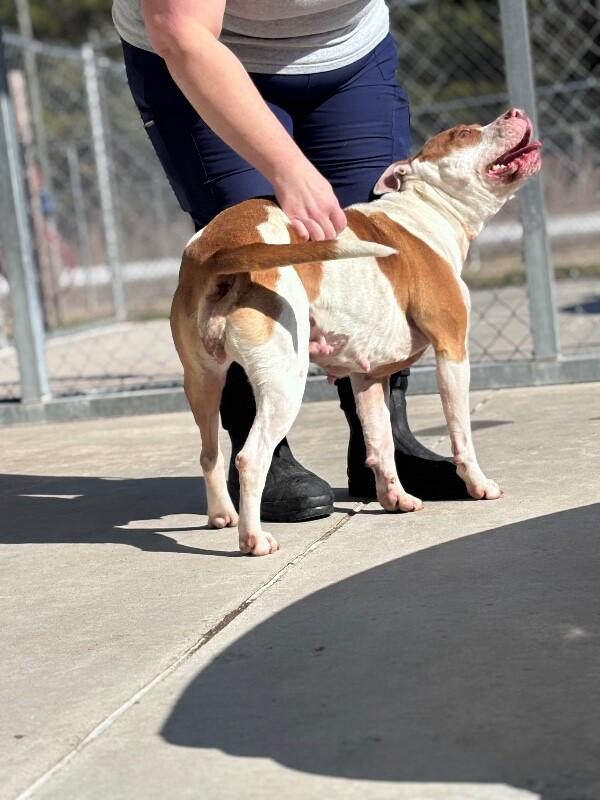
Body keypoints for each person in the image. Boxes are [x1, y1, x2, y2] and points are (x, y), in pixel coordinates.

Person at [112, 0, 468, 524]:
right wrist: (287, 168)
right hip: (203, 51)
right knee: (245, 256)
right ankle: (261, 454)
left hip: (346, 53)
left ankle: (382, 451)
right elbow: (181, 28)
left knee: (371, 252)